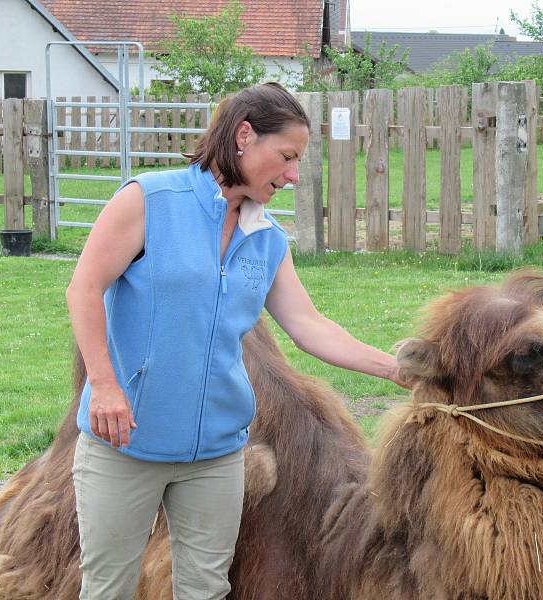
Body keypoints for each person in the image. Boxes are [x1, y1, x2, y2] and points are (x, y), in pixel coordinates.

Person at [65, 82, 406, 600]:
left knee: (205, 589)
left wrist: (394, 370)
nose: (294, 175)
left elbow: (308, 325)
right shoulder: (148, 200)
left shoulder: (266, 237)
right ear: (245, 136)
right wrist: (106, 385)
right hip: (126, 442)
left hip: (218, 454)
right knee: (107, 589)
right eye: (287, 157)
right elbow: (84, 288)